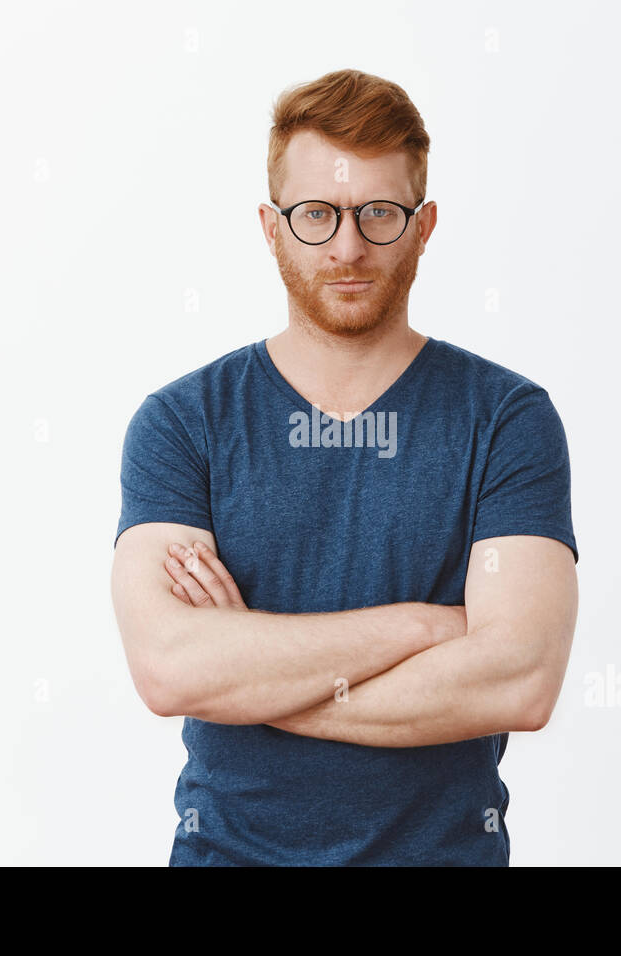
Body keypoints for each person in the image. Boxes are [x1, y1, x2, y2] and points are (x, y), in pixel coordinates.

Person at [109, 68, 579, 866]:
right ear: (271, 226)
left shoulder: (507, 420)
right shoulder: (182, 424)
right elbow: (169, 669)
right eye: (317, 215)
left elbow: (518, 683)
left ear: (424, 226)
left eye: (380, 214)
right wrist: (426, 628)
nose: (349, 246)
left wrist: (251, 674)